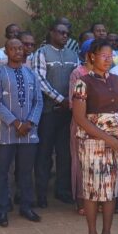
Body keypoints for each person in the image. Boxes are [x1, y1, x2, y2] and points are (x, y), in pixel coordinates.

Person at [71, 38, 118, 234]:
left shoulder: (117, 80)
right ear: (91, 57)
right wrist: (108, 138)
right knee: (91, 191)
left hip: (114, 143)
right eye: (103, 56)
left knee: (110, 191)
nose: (107, 60)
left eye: (110, 56)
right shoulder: (83, 82)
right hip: (92, 142)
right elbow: (80, 118)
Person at [0, 38, 43, 227]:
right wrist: (15, 123)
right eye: (13, 49)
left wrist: (29, 122)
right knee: (3, 172)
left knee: (26, 172)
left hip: (29, 132)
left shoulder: (31, 73)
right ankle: (2, 209)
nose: (18, 52)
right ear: (6, 51)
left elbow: (39, 101)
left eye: (20, 48)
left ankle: (26, 206)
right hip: (6, 133)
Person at [33, 20, 79, 207]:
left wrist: (70, 101)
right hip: (48, 112)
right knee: (44, 154)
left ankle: (63, 190)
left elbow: (78, 78)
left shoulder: (73, 54)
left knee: (65, 153)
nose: (64, 36)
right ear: (51, 33)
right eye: (60, 32)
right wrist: (61, 99)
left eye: (67, 33)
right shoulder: (41, 53)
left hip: (67, 113)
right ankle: (41, 194)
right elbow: (39, 80)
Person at [68, 39, 93, 215]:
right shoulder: (78, 73)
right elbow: (72, 102)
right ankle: (80, 199)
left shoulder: (106, 73)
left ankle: (96, 198)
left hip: (102, 125)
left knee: (96, 163)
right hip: (81, 123)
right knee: (80, 162)